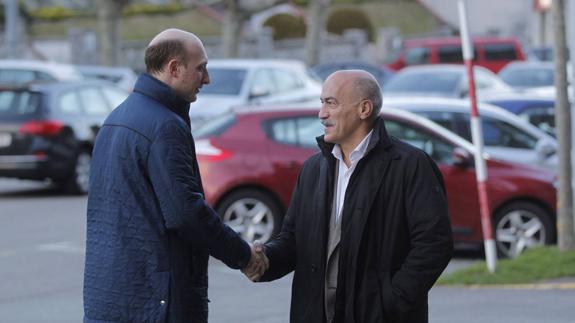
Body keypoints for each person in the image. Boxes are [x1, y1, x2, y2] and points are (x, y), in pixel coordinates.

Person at [83, 29, 267, 323]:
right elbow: (185, 213)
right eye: (201, 69)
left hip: (110, 297)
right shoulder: (165, 126)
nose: (206, 79)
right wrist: (244, 256)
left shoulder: (116, 118)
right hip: (157, 302)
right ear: (173, 68)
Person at [250, 70, 454, 322]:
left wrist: (391, 302)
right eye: (321, 102)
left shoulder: (411, 165)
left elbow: (434, 244)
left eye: (331, 103)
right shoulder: (314, 168)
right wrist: (264, 259)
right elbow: (293, 240)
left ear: (364, 109)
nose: (321, 113)